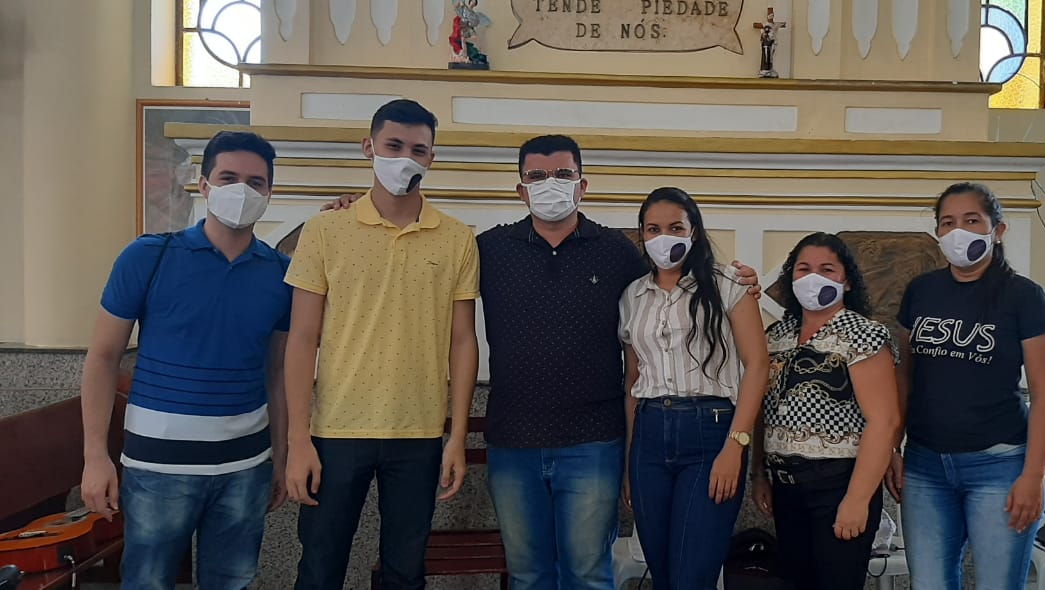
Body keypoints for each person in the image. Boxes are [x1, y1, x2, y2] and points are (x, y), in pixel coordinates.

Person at [321, 135, 761, 590]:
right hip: (514, 444)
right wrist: (358, 207)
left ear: (582, 185)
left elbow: (669, 282)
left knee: (589, 575)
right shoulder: (489, 248)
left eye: (563, 174)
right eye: (537, 175)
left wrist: (741, 282)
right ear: (521, 189)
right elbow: (423, 252)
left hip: (594, 443)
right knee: (529, 576)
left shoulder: (616, 252)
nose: (551, 183)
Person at [80, 130, 291, 590]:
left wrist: (281, 456)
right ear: (205, 184)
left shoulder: (281, 274)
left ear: (269, 193)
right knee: (148, 582)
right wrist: (95, 457)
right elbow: (103, 358)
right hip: (158, 468)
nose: (242, 190)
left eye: (255, 182)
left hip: (245, 467)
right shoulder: (147, 257)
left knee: (232, 581)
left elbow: (275, 373)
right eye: (229, 178)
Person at [283, 99, 479, 590]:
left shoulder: (457, 238)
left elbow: (462, 341)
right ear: (369, 147)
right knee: (319, 568)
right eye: (394, 145)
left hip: (419, 431)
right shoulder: (325, 229)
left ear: (432, 158)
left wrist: (456, 436)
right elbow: (302, 338)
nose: (405, 159)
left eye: (418, 149)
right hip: (336, 430)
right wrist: (298, 439)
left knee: (405, 572)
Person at [885, 182, 1045, 590]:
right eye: (948, 223)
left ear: (998, 230)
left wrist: (1033, 475)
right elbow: (904, 377)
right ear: (937, 232)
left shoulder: (1024, 297)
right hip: (925, 466)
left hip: (999, 465)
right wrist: (893, 448)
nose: (958, 231)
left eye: (971, 220)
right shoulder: (921, 291)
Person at [621, 187, 770, 590]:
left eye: (675, 227)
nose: (663, 237)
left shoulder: (728, 284)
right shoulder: (632, 296)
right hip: (649, 436)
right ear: (642, 235)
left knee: (693, 577)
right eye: (653, 229)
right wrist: (630, 462)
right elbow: (632, 381)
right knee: (664, 576)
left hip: (710, 433)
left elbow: (758, 365)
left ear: (694, 232)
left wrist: (736, 446)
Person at [748, 232, 901, 590]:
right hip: (786, 488)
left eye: (827, 269)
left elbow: (884, 421)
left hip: (839, 485)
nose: (813, 277)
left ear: (847, 281)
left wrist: (857, 500)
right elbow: (763, 410)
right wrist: (759, 473)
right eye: (804, 269)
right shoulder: (776, 337)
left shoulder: (864, 336)